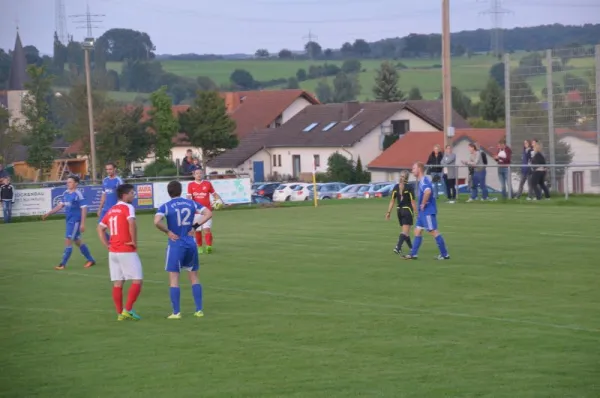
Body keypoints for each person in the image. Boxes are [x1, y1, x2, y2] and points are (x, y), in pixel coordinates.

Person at [154, 181, 213, 319]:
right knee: (194, 277)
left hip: (176, 244)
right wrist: (194, 226)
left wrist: (167, 231)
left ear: (168, 192)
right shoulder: (190, 203)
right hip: (190, 243)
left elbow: (156, 221)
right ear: (181, 191)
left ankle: (176, 312)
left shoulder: (166, 206)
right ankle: (199, 310)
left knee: (174, 278)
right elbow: (208, 213)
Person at [97, 184, 143, 321]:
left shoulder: (111, 209)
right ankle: (127, 309)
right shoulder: (128, 207)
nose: (133, 196)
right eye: (131, 193)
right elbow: (131, 223)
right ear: (125, 195)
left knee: (118, 283)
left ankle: (119, 314)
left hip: (113, 252)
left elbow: (99, 229)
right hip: (126, 249)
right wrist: (134, 241)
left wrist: (107, 245)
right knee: (137, 280)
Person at [42, 176, 96, 270]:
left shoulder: (78, 194)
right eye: (67, 182)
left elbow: (84, 208)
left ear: (76, 183)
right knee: (77, 241)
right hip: (69, 220)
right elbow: (60, 205)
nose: (68, 183)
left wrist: (83, 223)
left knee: (68, 240)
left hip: (75, 221)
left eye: (70, 182)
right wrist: (49, 213)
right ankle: (91, 260)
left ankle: (62, 264)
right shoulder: (66, 193)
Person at [402, 162, 450, 260]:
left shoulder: (424, 181)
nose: (412, 170)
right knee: (417, 231)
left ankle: (445, 255)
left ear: (419, 169)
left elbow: (428, 192)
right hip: (423, 212)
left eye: (414, 168)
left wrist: (423, 203)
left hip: (427, 211)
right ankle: (413, 254)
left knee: (433, 231)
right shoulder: (421, 181)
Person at [187, 169, 223, 254]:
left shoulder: (207, 184)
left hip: (207, 211)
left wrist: (219, 201)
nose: (199, 175)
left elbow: (214, 194)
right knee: (197, 230)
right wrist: (189, 206)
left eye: (200, 173)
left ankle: (208, 246)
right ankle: (199, 247)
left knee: (207, 229)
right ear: (194, 175)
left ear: (202, 174)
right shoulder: (191, 185)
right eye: (197, 173)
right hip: (196, 212)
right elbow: (189, 197)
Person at [386, 170, 416, 255]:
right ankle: (398, 247)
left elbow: (392, 201)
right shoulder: (410, 187)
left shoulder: (396, 187)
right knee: (405, 232)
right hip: (407, 211)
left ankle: (412, 248)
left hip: (399, 211)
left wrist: (388, 212)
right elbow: (413, 202)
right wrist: (417, 213)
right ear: (407, 177)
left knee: (406, 232)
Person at [97, 163, 123, 240]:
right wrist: (100, 208)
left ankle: (116, 246)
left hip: (115, 209)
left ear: (115, 169)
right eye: (107, 169)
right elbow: (104, 195)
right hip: (105, 209)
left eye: (110, 169)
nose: (108, 171)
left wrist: (121, 208)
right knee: (100, 229)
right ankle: (111, 245)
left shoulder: (118, 180)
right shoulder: (105, 180)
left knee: (115, 230)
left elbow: (122, 196)